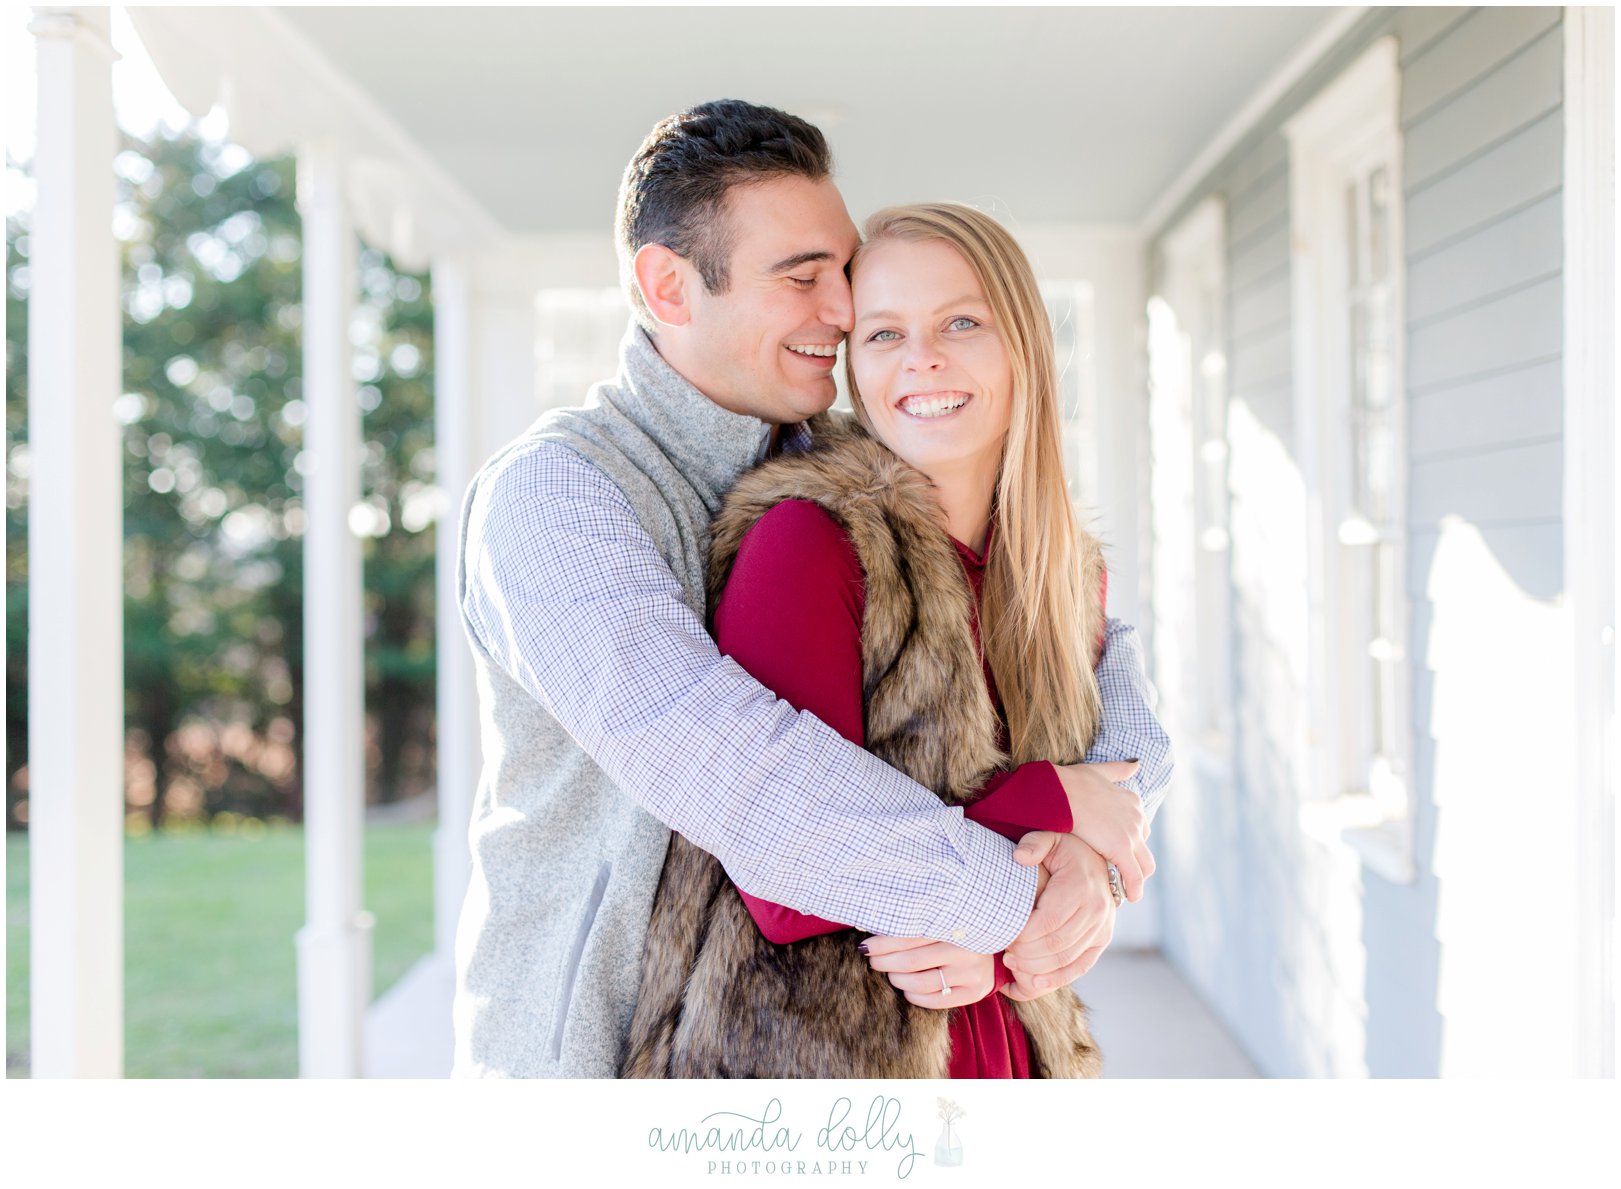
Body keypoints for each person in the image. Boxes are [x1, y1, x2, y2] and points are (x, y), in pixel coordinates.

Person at [453, 100, 1172, 1078]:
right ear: (668, 287)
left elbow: (1095, 643)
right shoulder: (557, 496)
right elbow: (740, 774)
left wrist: (1098, 834)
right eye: (803, 278)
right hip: (595, 1061)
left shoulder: (845, 464)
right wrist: (1026, 905)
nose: (843, 311)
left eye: (841, 271)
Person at [624, 203, 1141, 1078]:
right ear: (853, 366)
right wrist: (1047, 804)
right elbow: (782, 880)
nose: (921, 359)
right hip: (823, 1077)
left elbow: (1114, 802)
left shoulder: (1062, 571)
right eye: (883, 333)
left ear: (1023, 341)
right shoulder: (810, 541)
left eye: (961, 322)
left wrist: (1072, 883)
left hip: (1018, 1042)